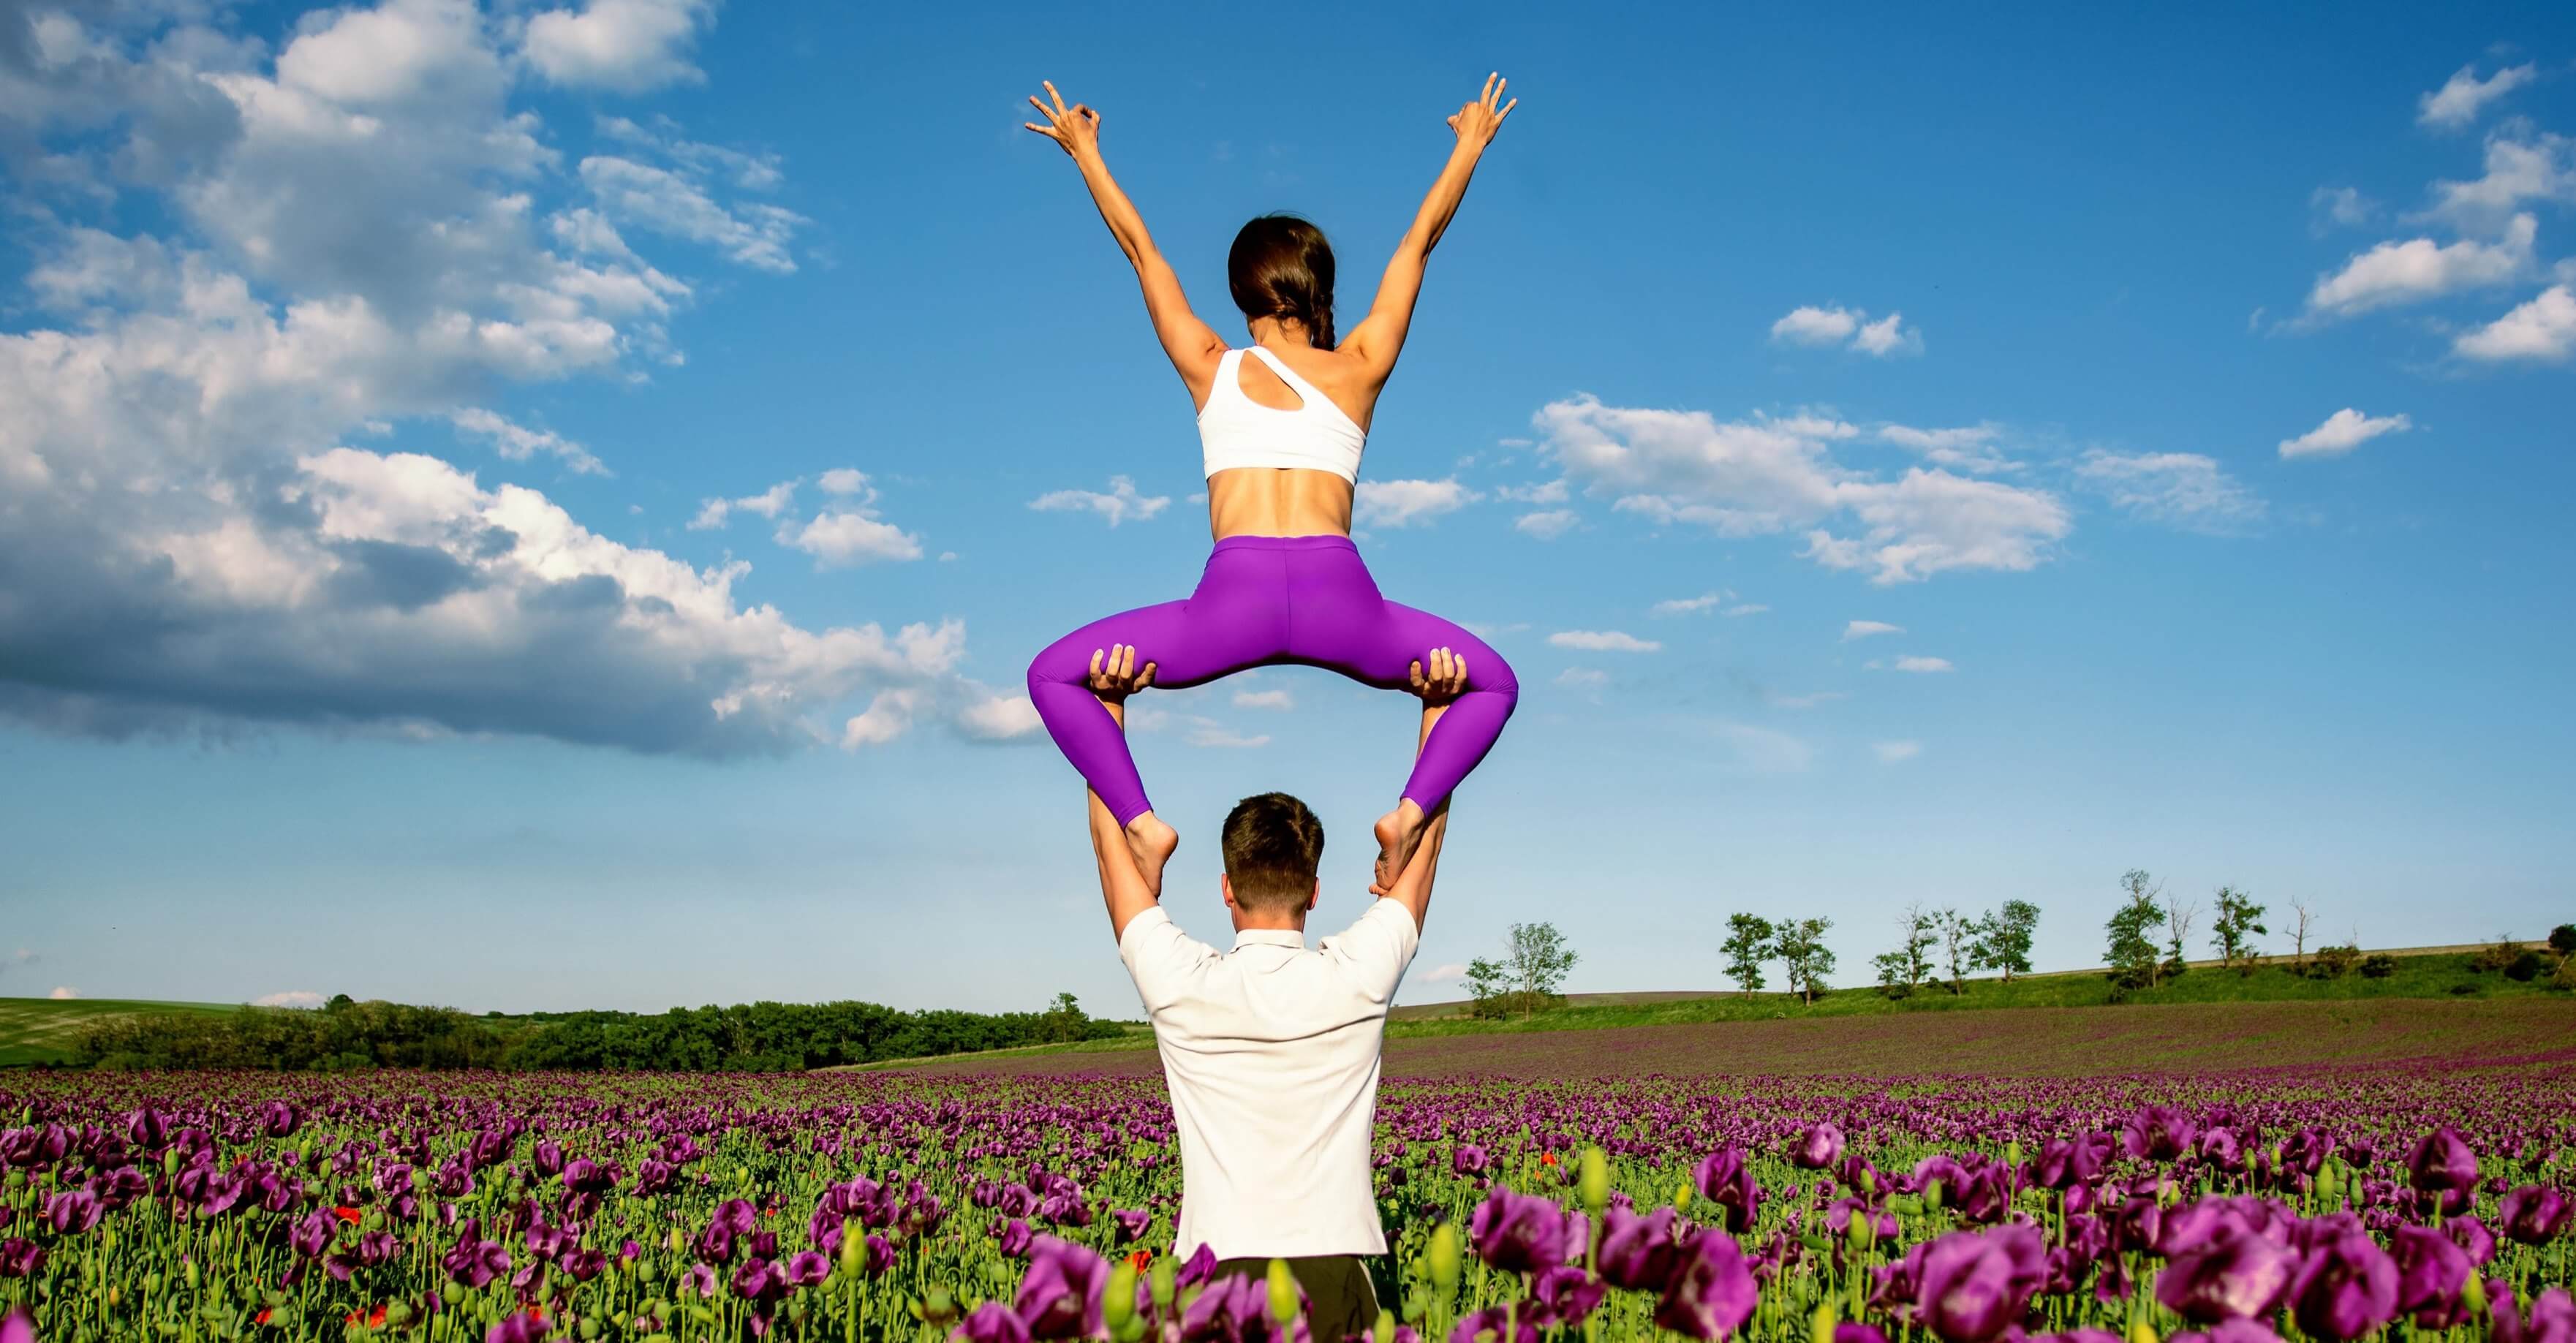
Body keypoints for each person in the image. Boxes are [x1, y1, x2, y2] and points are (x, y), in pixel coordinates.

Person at [1022, 74, 1522, 901]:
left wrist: (1087, 154)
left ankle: (1144, 826)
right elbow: (1415, 246)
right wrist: (1468, 144)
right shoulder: (1359, 366)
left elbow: (1140, 249)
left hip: (1229, 605)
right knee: (1493, 681)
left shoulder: (1209, 365)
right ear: (1317, 288)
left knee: (1054, 674)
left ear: (1241, 290)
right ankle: (1406, 817)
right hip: (1346, 604)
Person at [1079, 643, 1465, 1340]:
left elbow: (1115, 864)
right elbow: (1424, 852)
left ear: (1226, 888)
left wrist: (1107, 706)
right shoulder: (1357, 973)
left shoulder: (1181, 982)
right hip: (1337, 1267)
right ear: (1315, 891)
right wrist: (1436, 707)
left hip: (1211, 1273)